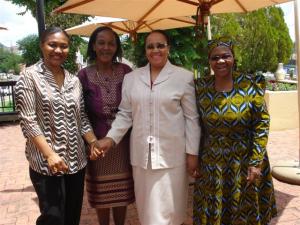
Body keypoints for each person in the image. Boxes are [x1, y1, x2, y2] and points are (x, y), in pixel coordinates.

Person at [93, 30, 201, 225]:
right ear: (145, 51)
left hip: (172, 158)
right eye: (150, 46)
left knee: (173, 212)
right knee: (147, 213)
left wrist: (192, 153)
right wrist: (110, 139)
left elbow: (192, 119)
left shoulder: (183, 77)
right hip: (142, 158)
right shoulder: (132, 78)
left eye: (160, 45)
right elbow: (126, 114)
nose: (155, 50)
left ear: (168, 48)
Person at [15, 26, 99, 225]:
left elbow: (81, 118)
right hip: (46, 165)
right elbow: (28, 120)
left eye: (64, 46)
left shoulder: (73, 80)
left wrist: (93, 142)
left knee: (72, 217)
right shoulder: (30, 77)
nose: (58, 50)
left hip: (76, 162)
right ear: (42, 46)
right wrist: (50, 154)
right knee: (52, 218)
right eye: (53, 45)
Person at [193, 37, 277, 225]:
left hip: (244, 160)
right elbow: (195, 125)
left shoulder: (250, 85)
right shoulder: (200, 88)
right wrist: (194, 157)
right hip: (212, 163)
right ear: (209, 61)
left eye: (225, 56)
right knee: (214, 213)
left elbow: (261, 123)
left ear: (233, 57)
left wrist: (256, 162)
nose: (220, 61)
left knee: (244, 214)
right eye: (215, 58)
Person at [77, 26, 134, 225]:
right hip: (97, 144)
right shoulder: (83, 76)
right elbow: (80, 113)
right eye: (101, 42)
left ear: (117, 47)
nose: (106, 47)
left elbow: (132, 107)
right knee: (102, 194)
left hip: (123, 143)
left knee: (121, 194)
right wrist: (92, 142)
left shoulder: (126, 72)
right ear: (93, 45)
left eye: (111, 43)